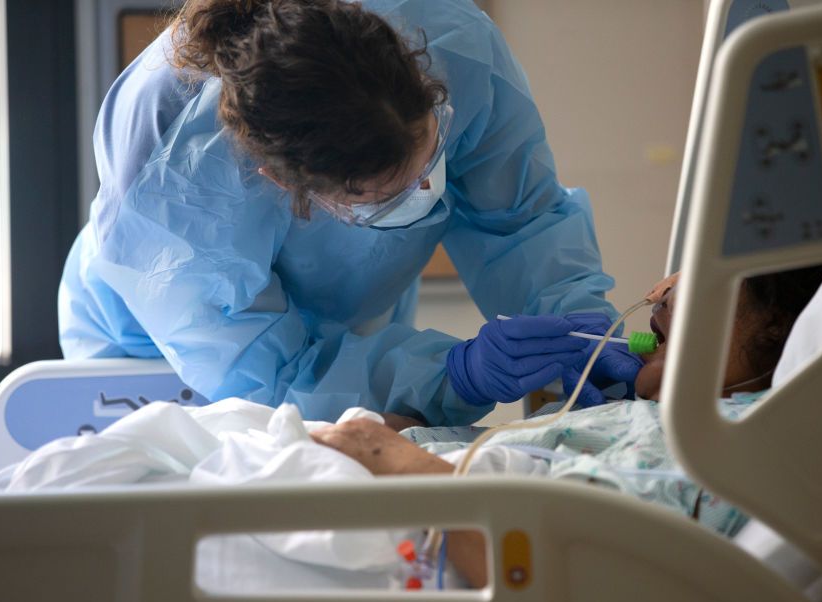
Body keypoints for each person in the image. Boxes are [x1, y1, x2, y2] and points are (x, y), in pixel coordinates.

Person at [59, 0, 638, 430]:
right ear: (286, 183)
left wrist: (585, 325)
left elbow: (522, 218)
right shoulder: (168, 165)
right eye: (388, 196)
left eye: (432, 153)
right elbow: (269, 373)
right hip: (162, 340)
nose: (427, 193)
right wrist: (453, 375)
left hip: (358, 307)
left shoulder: (449, 35)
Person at [311, 264, 822, 586]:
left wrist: (394, 457)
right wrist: (404, 425)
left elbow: (552, 574)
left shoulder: (713, 445)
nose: (660, 293)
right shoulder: (658, 419)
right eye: (680, 270)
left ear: (780, 330)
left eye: (710, 276)